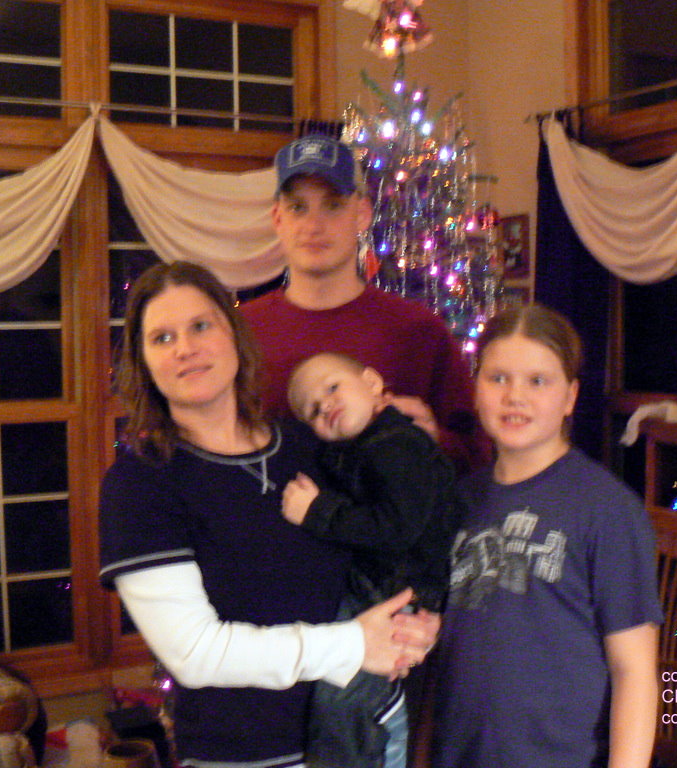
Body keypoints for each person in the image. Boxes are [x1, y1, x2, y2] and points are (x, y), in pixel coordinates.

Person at [98, 261, 439, 768]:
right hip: (243, 756)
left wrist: (418, 620)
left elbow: (392, 540)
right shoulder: (142, 483)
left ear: (234, 335)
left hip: (361, 739)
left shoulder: (309, 445)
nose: (185, 348)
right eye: (162, 338)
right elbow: (194, 652)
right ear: (144, 364)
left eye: (200, 326)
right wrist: (350, 645)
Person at [432, 304, 662, 768]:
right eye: (498, 378)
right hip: (460, 754)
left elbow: (634, 669)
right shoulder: (459, 499)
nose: (515, 396)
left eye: (538, 381)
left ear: (571, 397)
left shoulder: (608, 509)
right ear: (476, 390)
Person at [239, 133, 489, 474]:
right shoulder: (242, 331)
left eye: (332, 205)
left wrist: (434, 440)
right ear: (278, 219)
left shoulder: (417, 330)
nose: (313, 226)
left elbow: (479, 452)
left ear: (362, 214)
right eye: (298, 207)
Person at [281, 351, 467, 768]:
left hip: (402, 598)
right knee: (330, 684)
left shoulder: (399, 445)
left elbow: (397, 528)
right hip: (375, 590)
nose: (324, 405)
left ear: (372, 382)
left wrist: (317, 512)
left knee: (345, 696)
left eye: (332, 388)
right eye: (312, 410)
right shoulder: (362, 446)